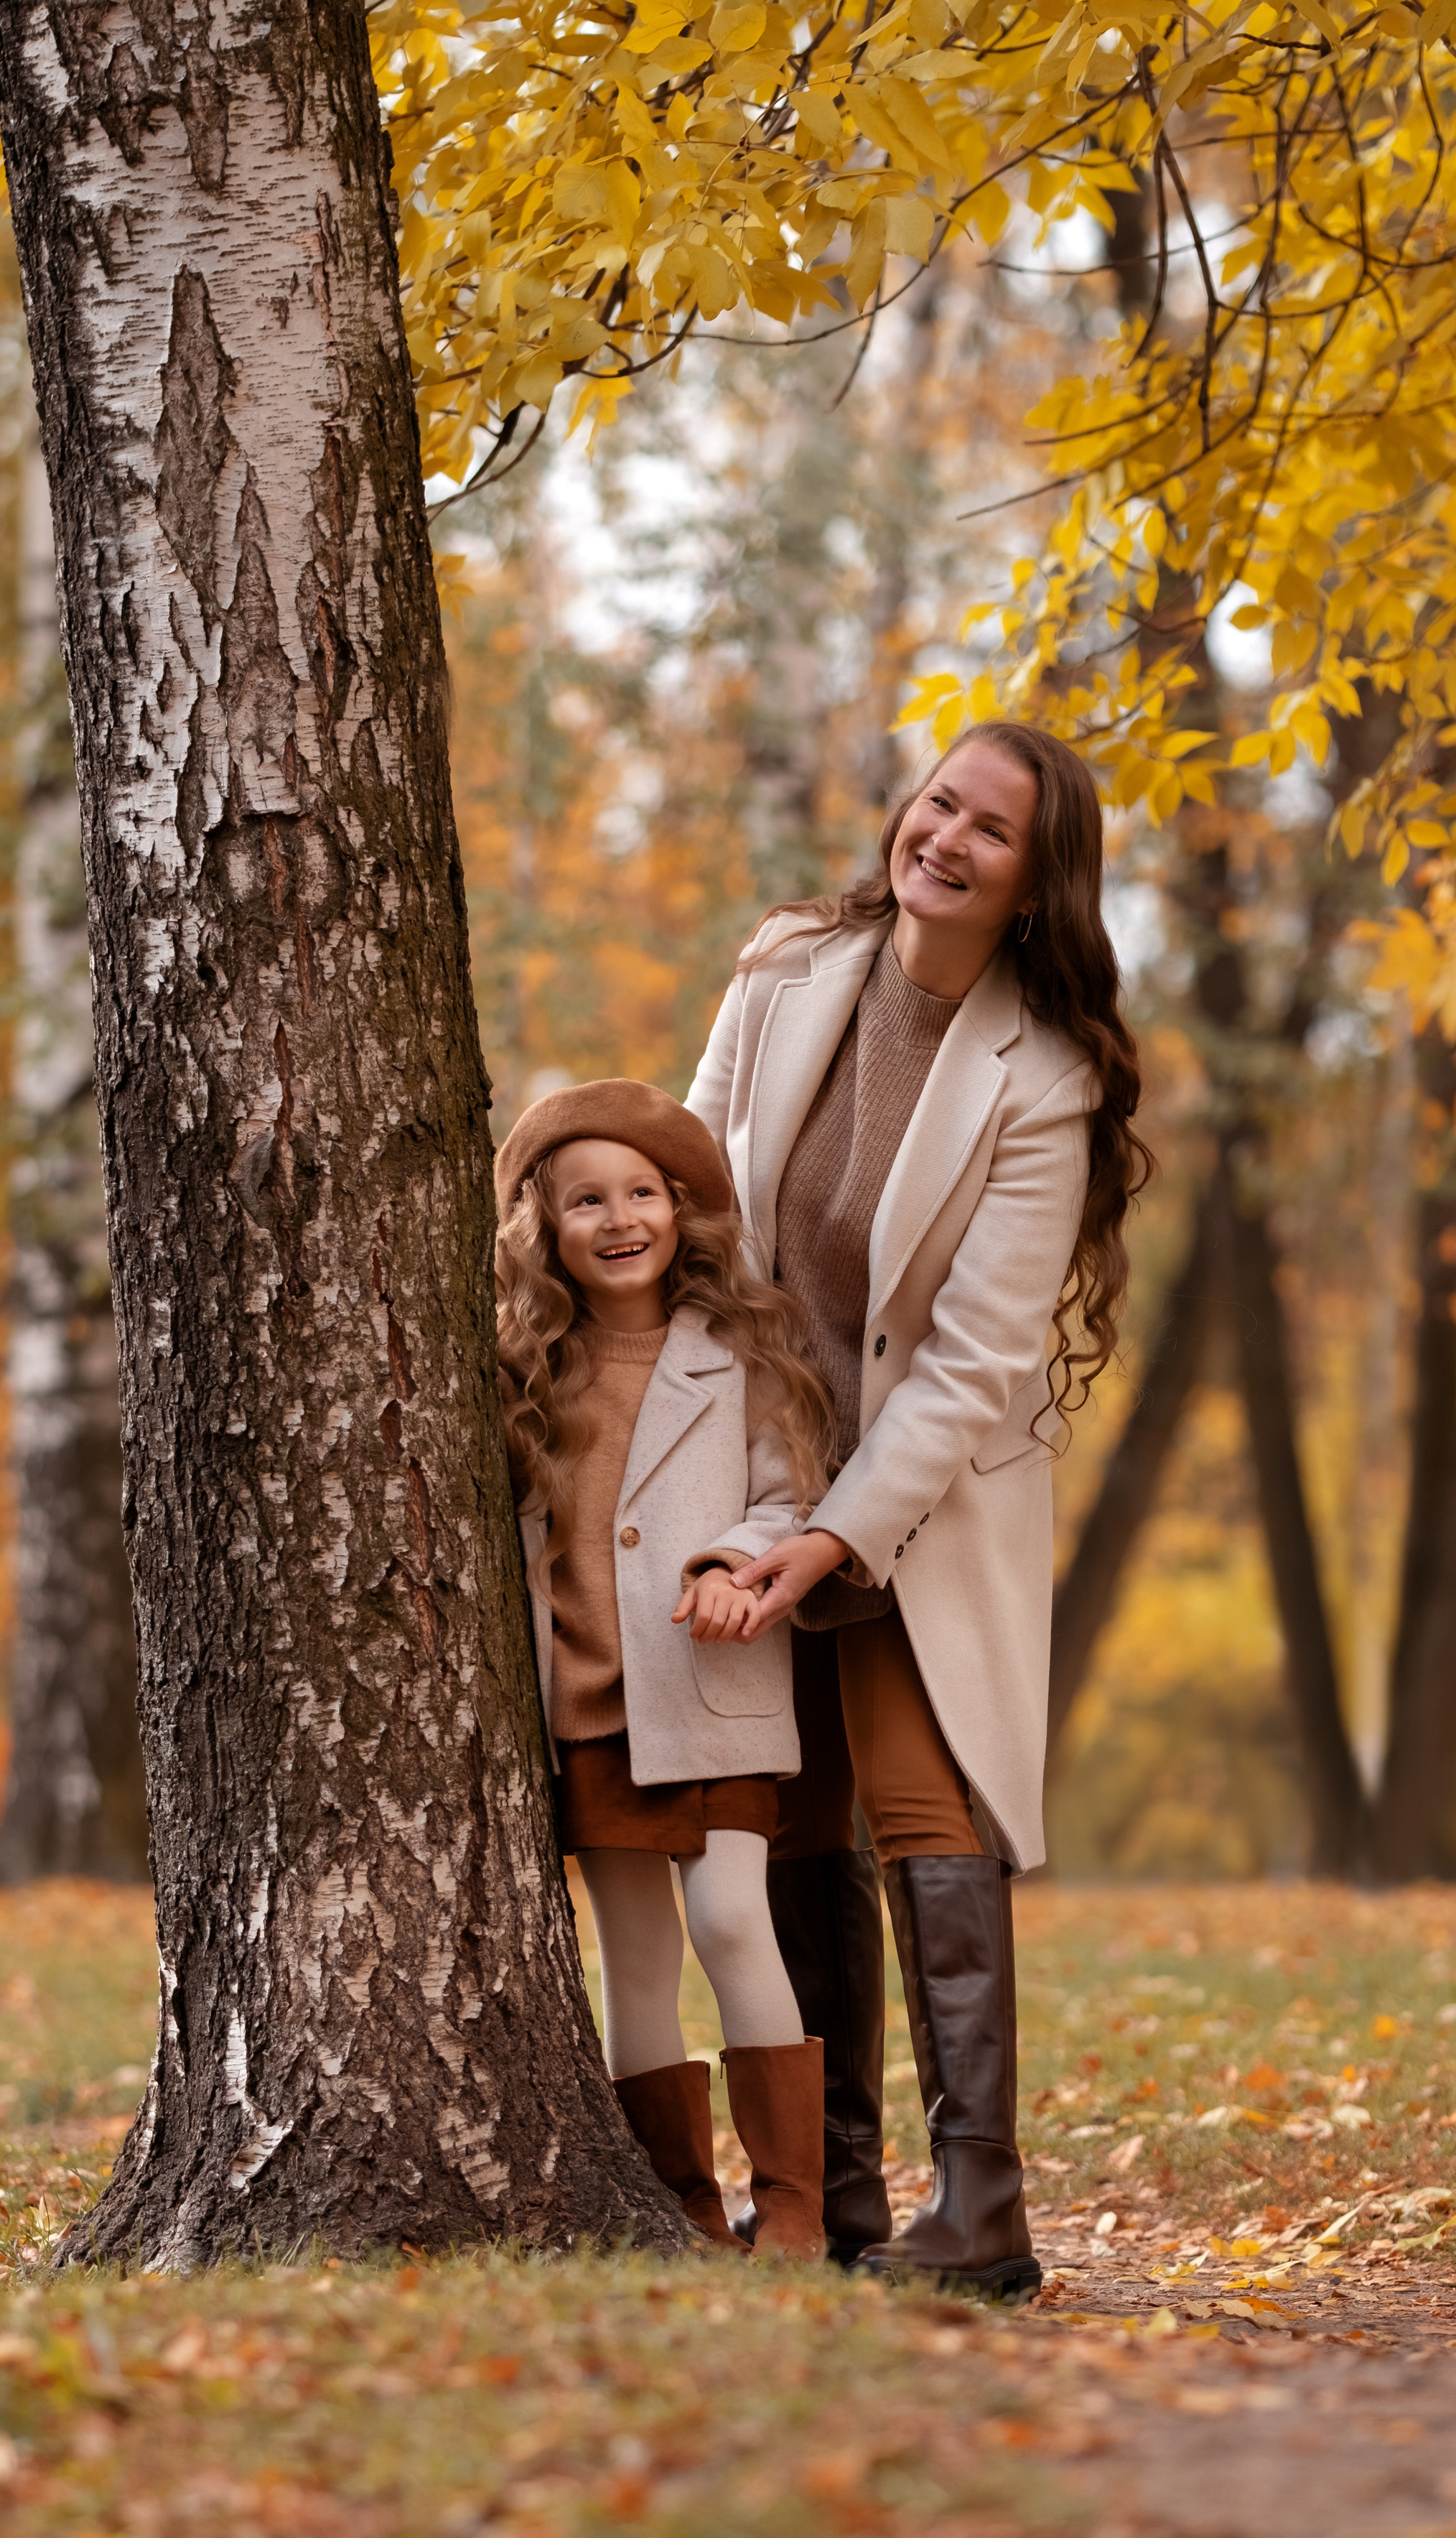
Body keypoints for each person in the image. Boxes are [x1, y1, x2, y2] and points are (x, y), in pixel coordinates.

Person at [686, 721, 1149, 2294]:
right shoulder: (787, 969)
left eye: (991, 829)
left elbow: (965, 1372)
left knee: (922, 1814)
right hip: (758, 1461)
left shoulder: (1045, 1073)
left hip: (924, 1496)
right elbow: (699, 1202)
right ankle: (831, 2199)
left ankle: (983, 2212)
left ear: (1032, 886)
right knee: (793, 1820)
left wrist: (836, 1535)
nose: (943, 835)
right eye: (938, 799)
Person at [494, 1078, 839, 2257]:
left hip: (714, 1686)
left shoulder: (738, 1349)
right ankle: (681, 2200)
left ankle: (794, 2202)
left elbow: (786, 1493)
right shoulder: (524, 1366)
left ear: (682, 1210)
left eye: (642, 1192)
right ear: (547, 1226)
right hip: (590, 1704)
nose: (619, 1217)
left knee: (736, 1921)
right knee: (634, 1953)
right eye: (585, 1199)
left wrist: (734, 1563)